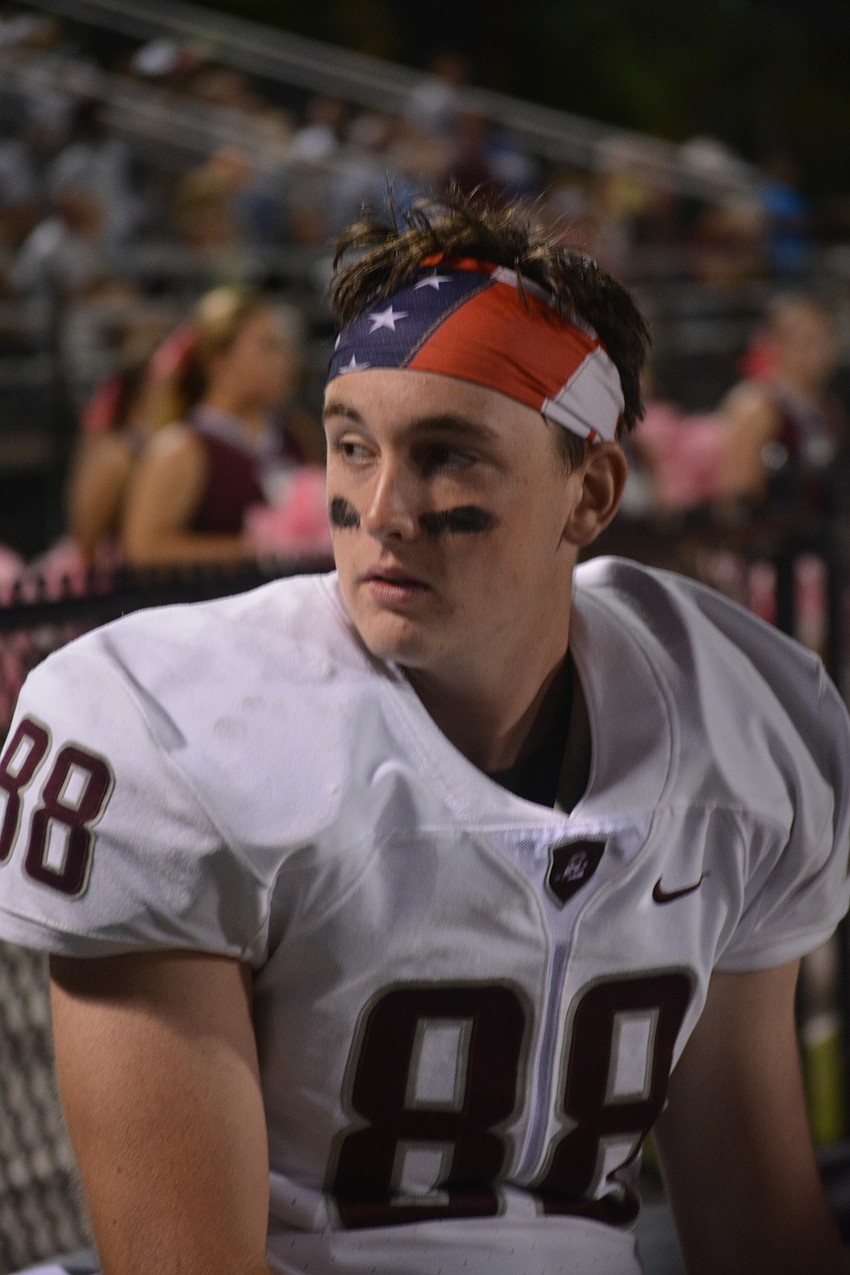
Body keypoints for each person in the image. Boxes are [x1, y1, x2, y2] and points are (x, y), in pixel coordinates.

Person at [0, 195, 849, 1275]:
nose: (383, 506)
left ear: (588, 493)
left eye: (448, 455)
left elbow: (759, 1228)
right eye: (352, 447)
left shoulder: (734, 722)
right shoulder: (166, 731)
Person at [120, 285, 324, 566]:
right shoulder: (183, 448)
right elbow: (143, 549)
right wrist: (255, 550)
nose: (286, 362)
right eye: (269, 347)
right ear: (219, 360)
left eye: (286, 348)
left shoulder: (297, 433)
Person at [715, 292, 848, 519]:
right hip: (772, 543)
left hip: (822, 539)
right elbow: (735, 497)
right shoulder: (757, 407)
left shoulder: (831, 408)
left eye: (825, 338)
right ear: (776, 344)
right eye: (808, 340)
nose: (820, 351)